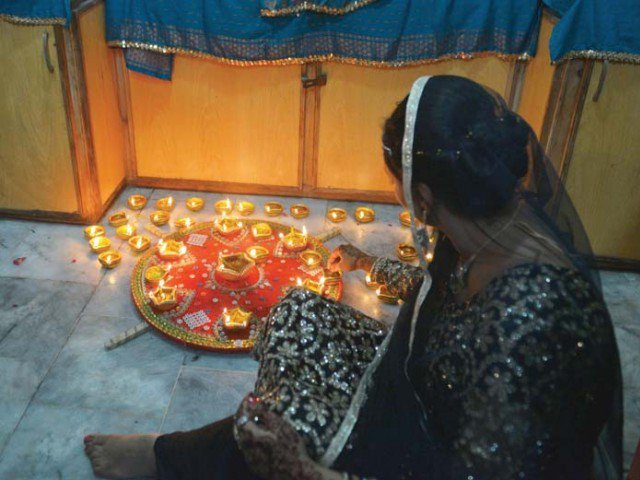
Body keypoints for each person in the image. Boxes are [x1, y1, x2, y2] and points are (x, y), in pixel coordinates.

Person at [84, 75, 622, 480]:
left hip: (429, 448)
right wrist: (367, 264)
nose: (397, 195)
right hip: (421, 383)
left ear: (427, 199)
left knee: (277, 424)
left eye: (398, 184)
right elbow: (447, 304)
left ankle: (169, 457)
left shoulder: (529, 328)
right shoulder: (489, 217)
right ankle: (195, 449)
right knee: (297, 309)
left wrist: (303, 470)